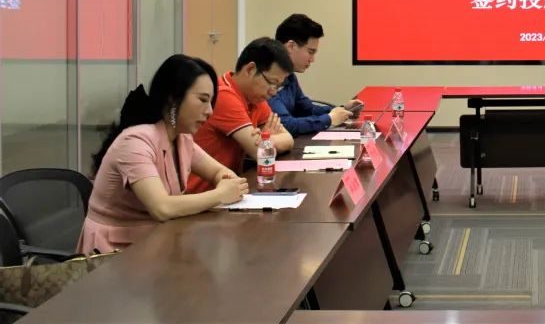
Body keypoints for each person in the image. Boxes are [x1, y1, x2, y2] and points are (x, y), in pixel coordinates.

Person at [78, 55, 248, 254]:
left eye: (211, 102)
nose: (209, 111)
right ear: (173, 98)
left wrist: (225, 182)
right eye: (203, 100)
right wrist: (220, 194)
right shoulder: (135, 141)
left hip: (154, 242)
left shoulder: (182, 138)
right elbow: (162, 208)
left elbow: (220, 173)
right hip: (112, 252)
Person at [186, 37, 295, 193]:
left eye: (278, 86)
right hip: (202, 195)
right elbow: (259, 153)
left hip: (231, 189)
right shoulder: (224, 95)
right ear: (250, 69)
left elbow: (289, 139)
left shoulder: (255, 98)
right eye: (272, 82)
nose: (273, 92)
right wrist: (266, 143)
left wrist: (266, 140)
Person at [269, 14, 362, 136]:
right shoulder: (267, 79)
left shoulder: (289, 76)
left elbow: (307, 109)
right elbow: (286, 125)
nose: (312, 60)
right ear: (291, 46)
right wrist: (329, 119)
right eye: (310, 52)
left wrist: (342, 109)